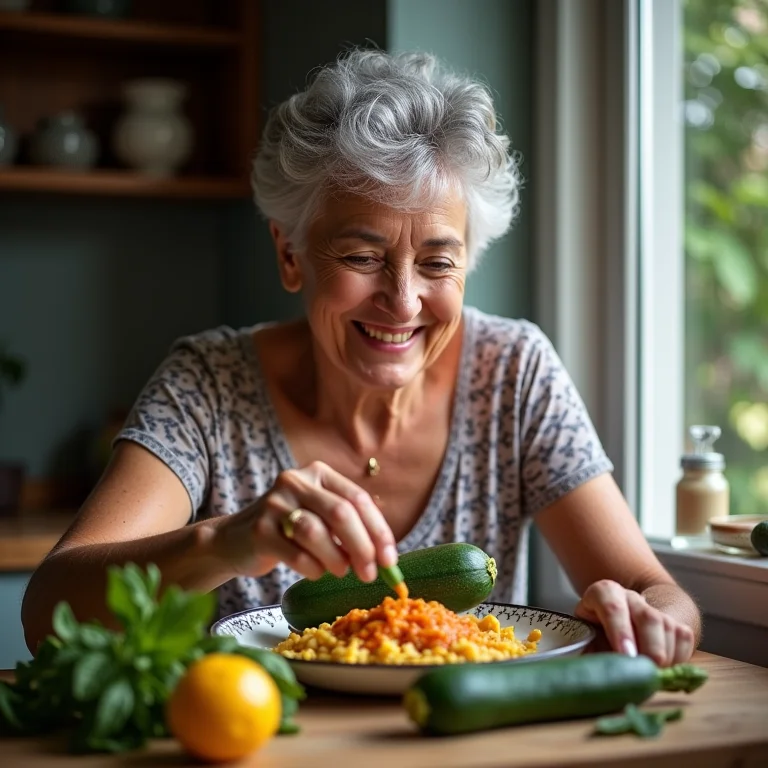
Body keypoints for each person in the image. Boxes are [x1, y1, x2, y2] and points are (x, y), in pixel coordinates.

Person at [22, 49, 701, 666]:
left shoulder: (514, 370)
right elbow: (49, 613)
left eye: (438, 262)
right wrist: (228, 541)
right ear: (291, 255)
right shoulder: (208, 383)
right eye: (362, 257)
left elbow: (656, 590)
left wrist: (651, 617)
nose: (403, 301)